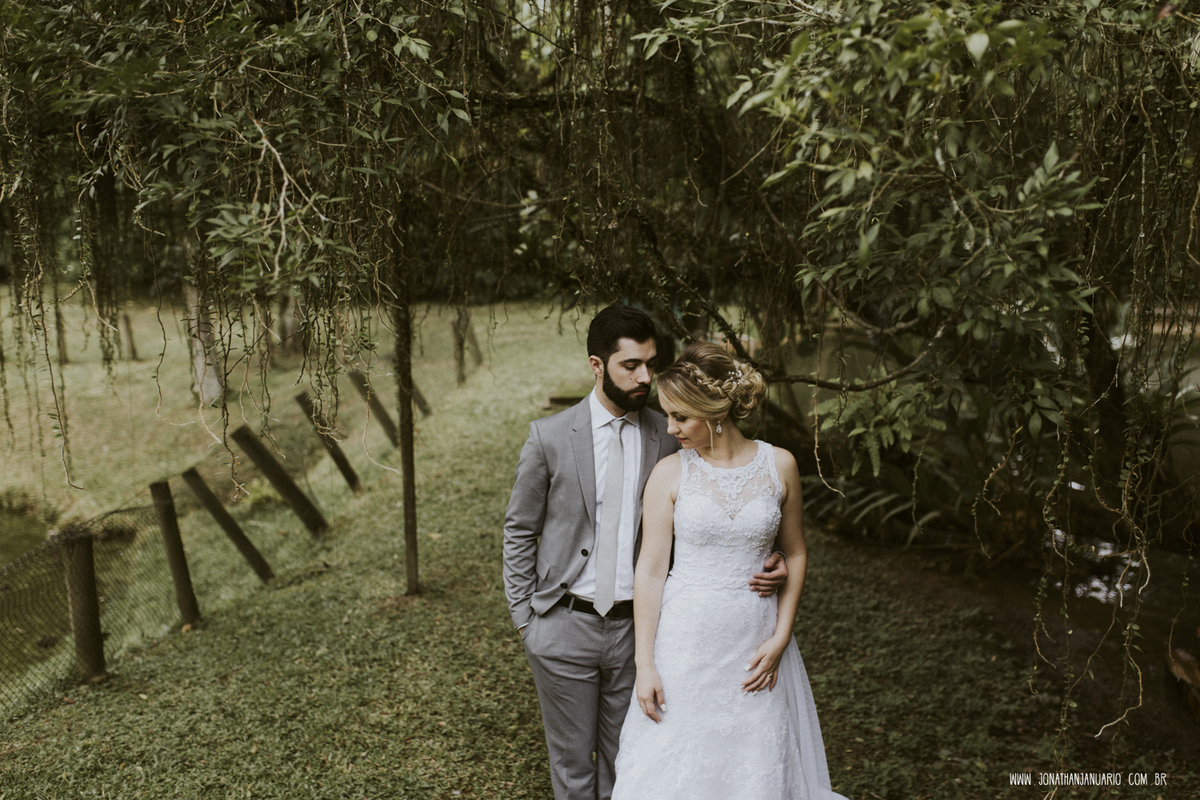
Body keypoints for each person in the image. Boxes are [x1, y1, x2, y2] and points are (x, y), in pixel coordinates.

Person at [503, 307, 788, 800]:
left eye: (651, 364)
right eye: (630, 366)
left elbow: (732, 497)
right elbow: (519, 530)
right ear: (597, 365)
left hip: (641, 630)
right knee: (572, 767)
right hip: (562, 624)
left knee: (631, 761)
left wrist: (770, 553)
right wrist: (526, 620)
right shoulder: (548, 437)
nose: (644, 377)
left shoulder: (673, 432)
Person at [611, 342, 845, 800]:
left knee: (754, 766)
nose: (670, 427)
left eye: (680, 416)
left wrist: (780, 637)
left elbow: (795, 554)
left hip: (755, 643)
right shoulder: (669, 473)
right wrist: (645, 664)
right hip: (685, 645)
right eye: (667, 415)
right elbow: (651, 572)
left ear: (715, 410)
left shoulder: (780, 464)